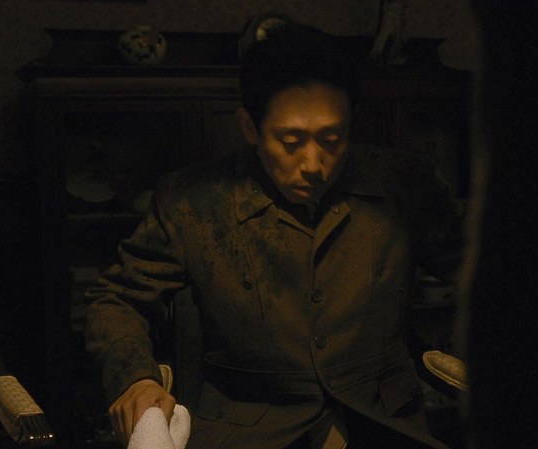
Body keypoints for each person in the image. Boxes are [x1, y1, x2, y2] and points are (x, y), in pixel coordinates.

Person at [85, 21, 464, 449]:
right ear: (250, 127)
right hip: (251, 429)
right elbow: (117, 299)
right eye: (291, 140)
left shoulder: (403, 184)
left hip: (383, 420)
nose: (314, 165)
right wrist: (136, 379)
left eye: (332, 139)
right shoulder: (194, 200)